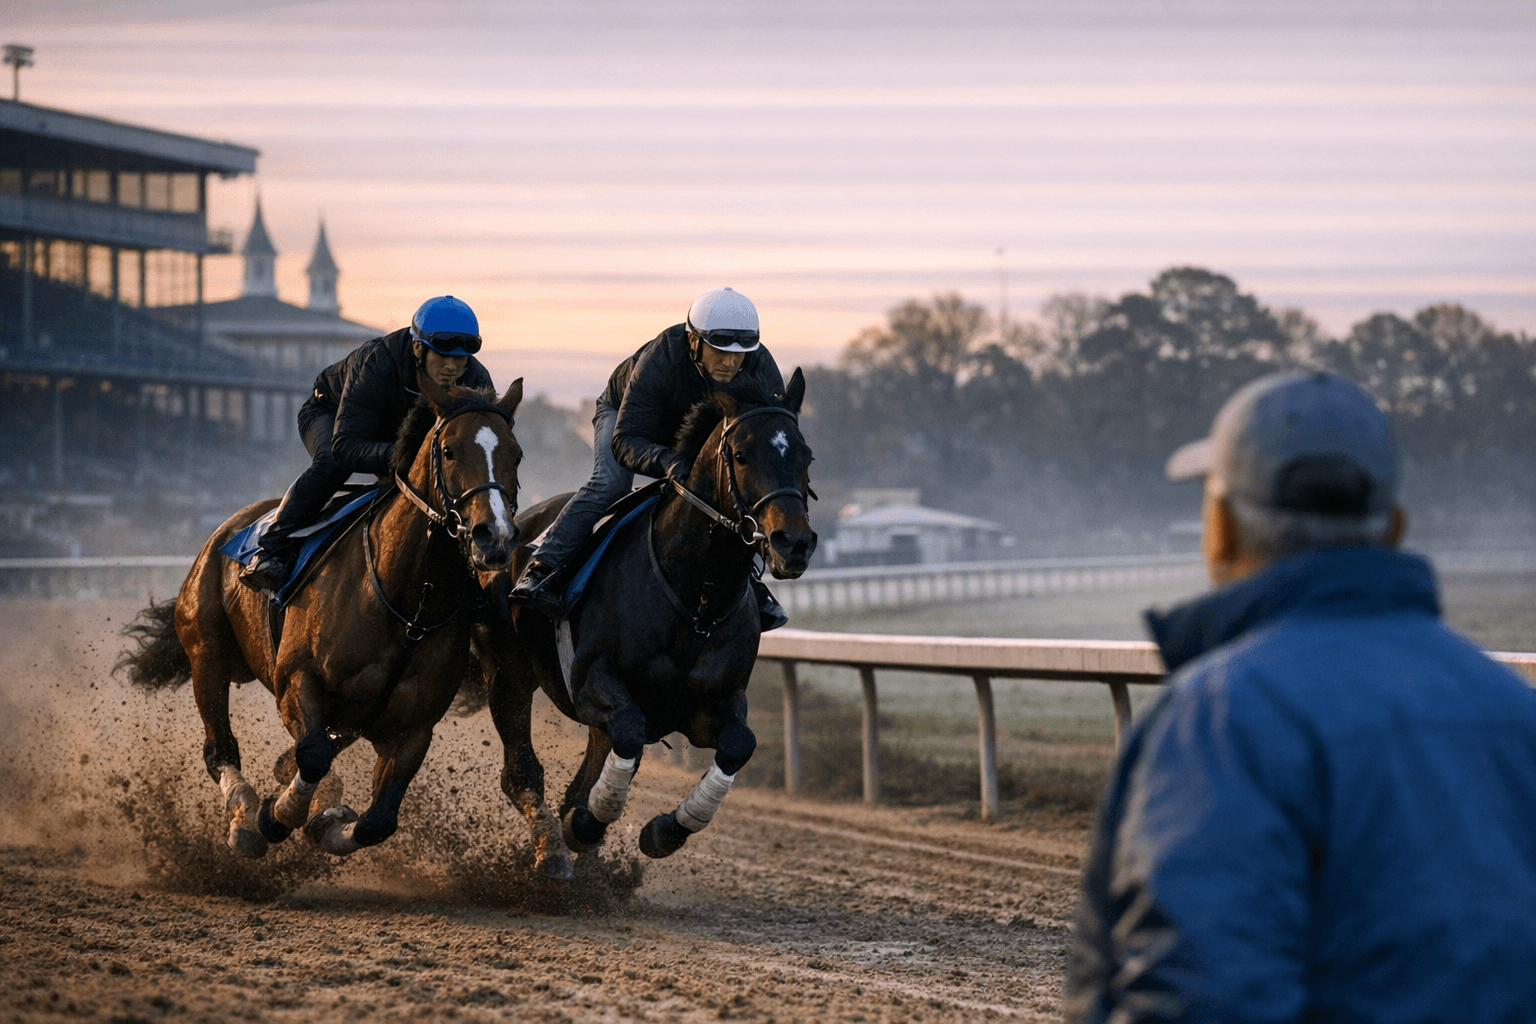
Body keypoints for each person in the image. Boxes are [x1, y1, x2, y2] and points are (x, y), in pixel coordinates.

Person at [1065, 370, 1536, 1023]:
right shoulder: (1513, 709)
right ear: (1395, 526)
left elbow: (1200, 999)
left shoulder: (1221, 716)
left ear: (1221, 528)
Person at [511, 286, 788, 629]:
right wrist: (667, 461)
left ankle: (752, 588)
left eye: (740, 352)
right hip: (628, 420)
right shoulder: (660, 359)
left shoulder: (760, 366)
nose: (731, 362)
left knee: (728, 494)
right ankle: (541, 569)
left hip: (697, 427)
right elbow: (626, 442)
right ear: (693, 342)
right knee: (610, 484)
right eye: (720, 350)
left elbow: (772, 435)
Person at [238, 295, 494, 593]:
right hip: (331, 416)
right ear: (417, 348)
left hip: (400, 431)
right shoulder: (377, 362)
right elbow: (346, 448)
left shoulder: (475, 378)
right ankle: (270, 550)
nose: (453, 367)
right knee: (330, 465)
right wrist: (407, 455)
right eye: (443, 355)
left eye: (461, 358)